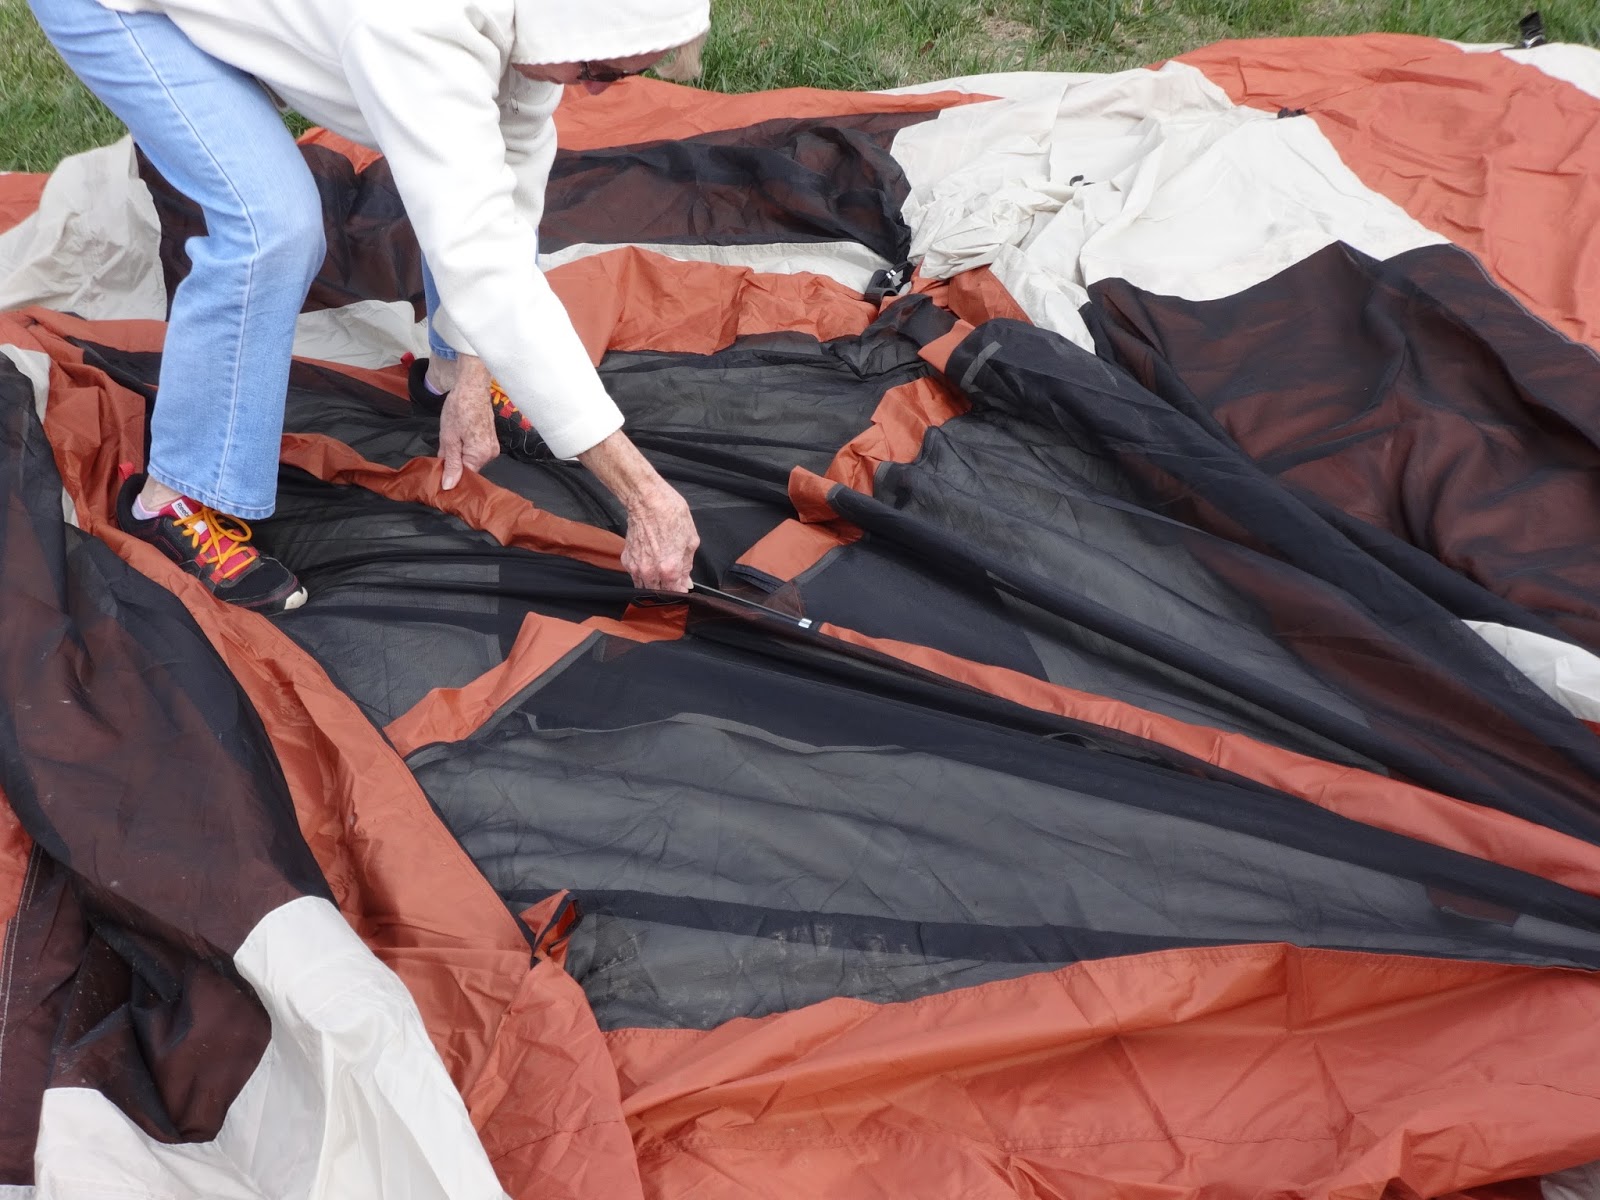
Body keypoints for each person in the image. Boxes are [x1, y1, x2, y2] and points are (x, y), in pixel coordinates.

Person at [28, 0, 706, 614]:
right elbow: (482, 258)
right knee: (274, 226)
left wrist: (472, 371)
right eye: (597, 67)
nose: (590, 87)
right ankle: (174, 496)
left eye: (614, 77)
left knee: (473, 193)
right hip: (118, 7)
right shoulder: (412, 26)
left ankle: (444, 377)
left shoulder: (535, 24)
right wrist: (642, 492)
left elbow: (510, 177)